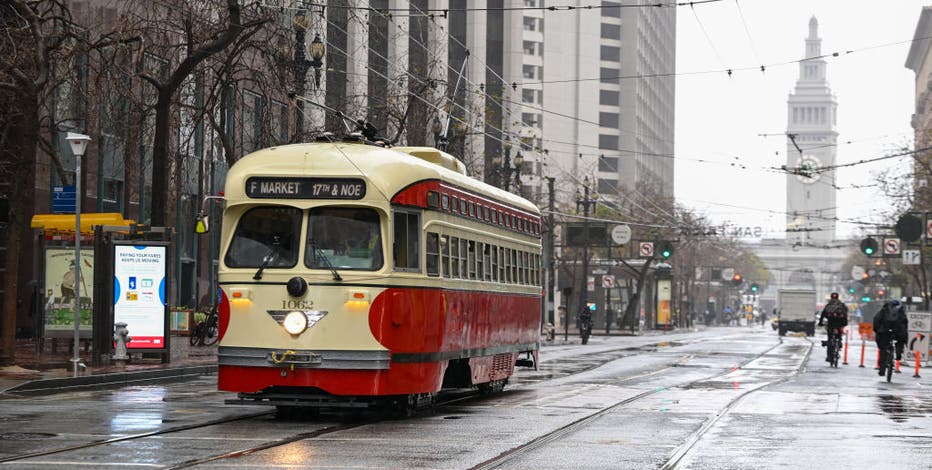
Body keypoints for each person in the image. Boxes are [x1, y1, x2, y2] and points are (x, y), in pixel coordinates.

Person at [873, 299, 908, 376]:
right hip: (897, 332)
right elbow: (905, 322)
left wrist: (877, 330)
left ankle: (882, 369)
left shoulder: (884, 310)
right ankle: (898, 354)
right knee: (900, 340)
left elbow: (876, 320)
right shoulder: (900, 311)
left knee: (883, 349)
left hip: (884, 332)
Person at [818, 292, 848, 362]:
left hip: (831, 324)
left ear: (831, 297)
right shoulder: (842, 305)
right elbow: (846, 314)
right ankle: (839, 342)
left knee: (830, 339)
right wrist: (845, 323)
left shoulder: (828, 305)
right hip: (840, 324)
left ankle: (829, 356)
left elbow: (823, 314)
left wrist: (820, 322)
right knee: (839, 334)